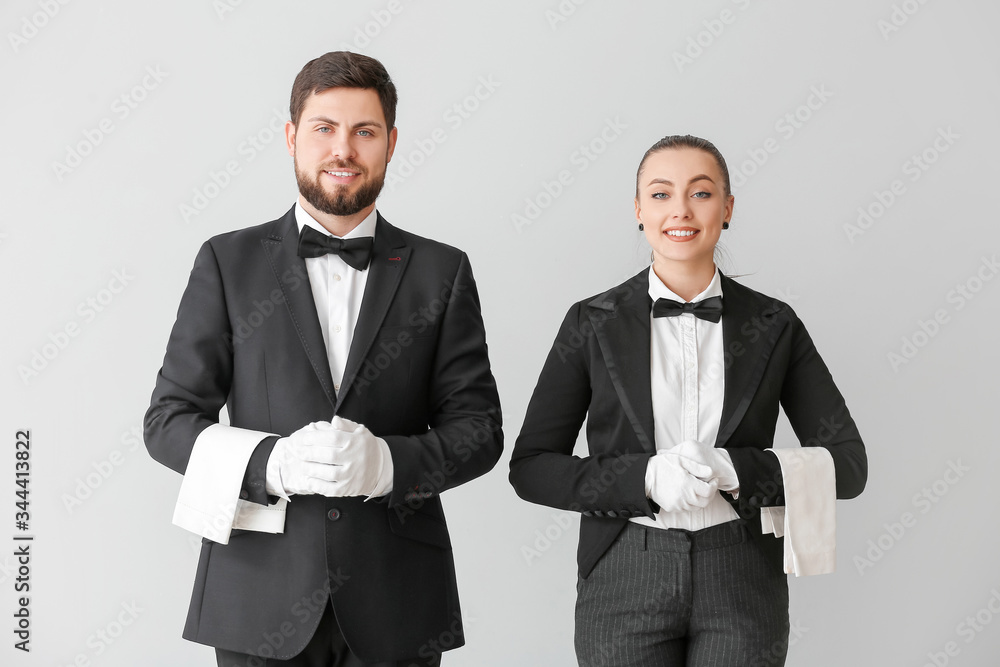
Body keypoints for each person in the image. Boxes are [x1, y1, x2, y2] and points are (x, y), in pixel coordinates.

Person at [144, 51, 503, 667]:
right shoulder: (227, 263)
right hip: (257, 598)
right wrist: (271, 463)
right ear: (292, 138)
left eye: (364, 131)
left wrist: (389, 463)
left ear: (391, 143)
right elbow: (168, 422)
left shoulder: (442, 271)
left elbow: (481, 432)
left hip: (397, 603)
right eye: (324, 129)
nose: (344, 149)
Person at [509, 135, 867, 666]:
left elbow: (849, 465)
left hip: (742, 571)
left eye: (700, 193)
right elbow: (531, 468)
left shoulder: (775, 325)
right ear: (637, 209)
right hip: (624, 570)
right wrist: (645, 479)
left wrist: (734, 468)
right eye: (660, 194)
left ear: (727, 209)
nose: (680, 210)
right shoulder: (591, 322)